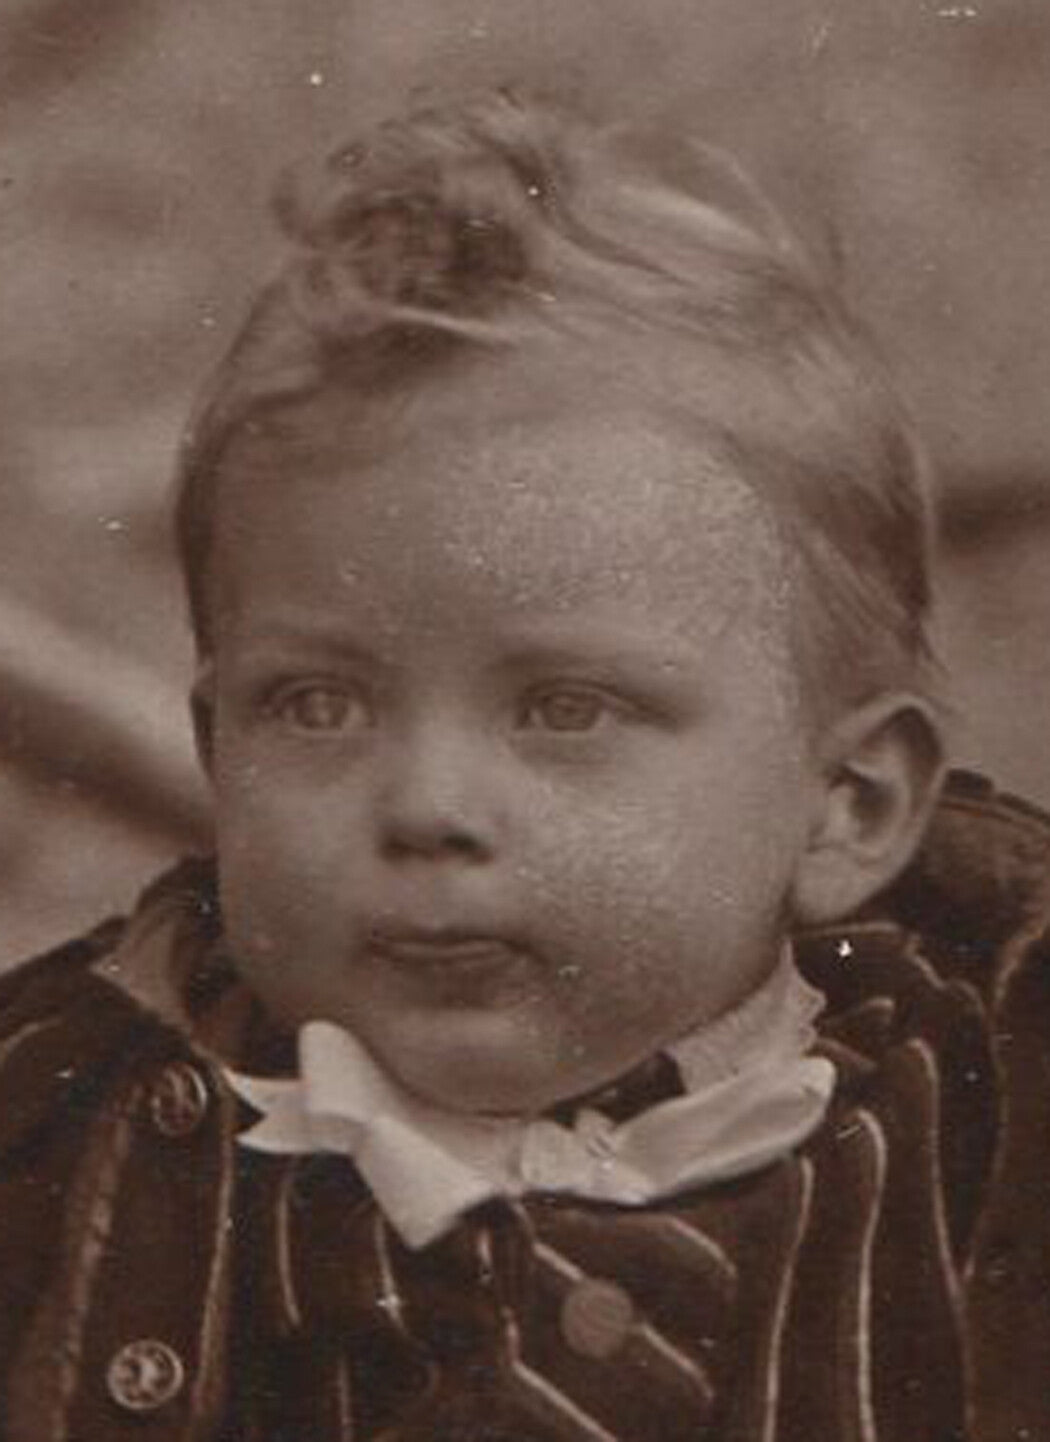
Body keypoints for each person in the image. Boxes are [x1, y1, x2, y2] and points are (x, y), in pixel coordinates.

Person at [1, 93, 1047, 1442]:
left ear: (846, 802)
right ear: (217, 754)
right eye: (316, 705)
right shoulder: (59, 1133)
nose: (427, 805)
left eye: (564, 706)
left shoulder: (983, 1129)